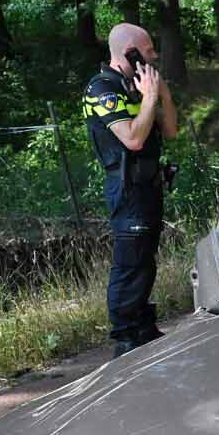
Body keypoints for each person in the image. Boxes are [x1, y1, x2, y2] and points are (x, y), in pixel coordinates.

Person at [83, 23, 178, 355]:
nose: (154, 57)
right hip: (127, 189)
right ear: (130, 53)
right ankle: (125, 335)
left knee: (146, 260)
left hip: (150, 185)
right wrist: (150, 96)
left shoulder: (136, 86)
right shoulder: (103, 89)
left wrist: (160, 93)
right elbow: (134, 139)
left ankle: (143, 327)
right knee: (130, 262)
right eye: (148, 52)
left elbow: (170, 131)